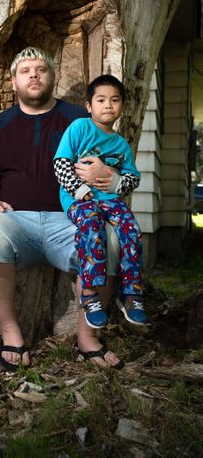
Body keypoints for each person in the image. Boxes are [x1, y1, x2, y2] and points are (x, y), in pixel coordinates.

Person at [0, 47, 122, 370]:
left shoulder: (80, 122)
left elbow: (109, 163)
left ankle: (88, 338)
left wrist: (108, 176)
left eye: (41, 69)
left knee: (109, 239)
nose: (33, 75)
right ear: (13, 82)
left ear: (53, 76)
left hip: (70, 220)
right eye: (25, 70)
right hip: (15, 222)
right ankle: (11, 332)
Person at [53, 74, 147, 330]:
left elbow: (132, 178)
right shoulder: (80, 128)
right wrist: (79, 189)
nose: (108, 105)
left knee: (132, 230)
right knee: (93, 226)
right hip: (79, 199)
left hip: (111, 200)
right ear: (89, 106)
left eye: (114, 100)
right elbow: (60, 165)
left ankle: (131, 293)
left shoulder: (121, 144)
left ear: (122, 107)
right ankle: (90, 293)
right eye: (101, 100)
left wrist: (115, 181)